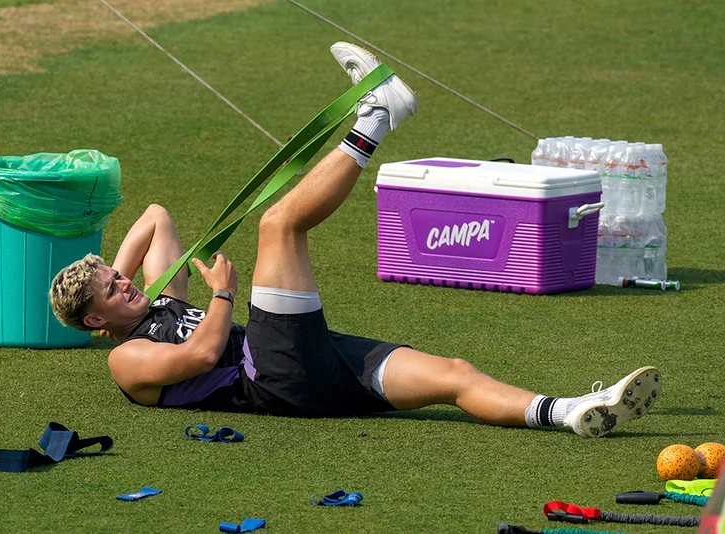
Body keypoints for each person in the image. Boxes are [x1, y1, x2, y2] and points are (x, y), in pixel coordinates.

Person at [49, 42, 661, 438]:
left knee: (451, 373)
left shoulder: (148, 300)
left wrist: (111, 276)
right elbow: (206, 356)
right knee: (278, 226)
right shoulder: (125, 361)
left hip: (314, 360)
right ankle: (377, 114)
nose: (125, 283)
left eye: (117, 276)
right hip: (273, 377)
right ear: (93, 323)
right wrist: (222, 296)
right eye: (111, 290)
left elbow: (155, 216)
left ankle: (571, 411)